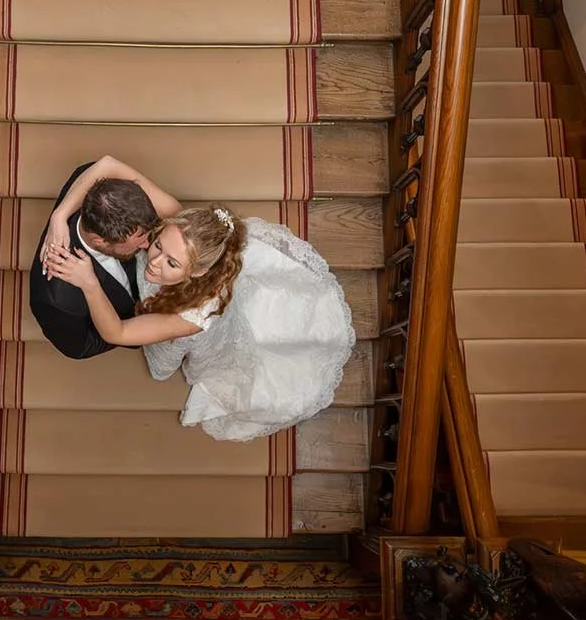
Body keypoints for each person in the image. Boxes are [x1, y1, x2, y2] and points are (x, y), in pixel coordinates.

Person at [43, 181, 356, 442]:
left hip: (187, 325)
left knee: (167, 361)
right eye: (158, 245)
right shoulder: (177, 221)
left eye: (172, 263)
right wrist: (60, 216)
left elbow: (117, 332)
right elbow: (108, 164)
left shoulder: (194, 314)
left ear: (196, 273)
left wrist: (90, 283)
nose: (154, 261)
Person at [30, 156, 171, 360]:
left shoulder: (99, 190)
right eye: (138, 242)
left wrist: (59, 216)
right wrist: (131, 329)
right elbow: (80, 347)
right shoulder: (57, 299)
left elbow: (104, 165)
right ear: (100, 241)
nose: (148, 246)